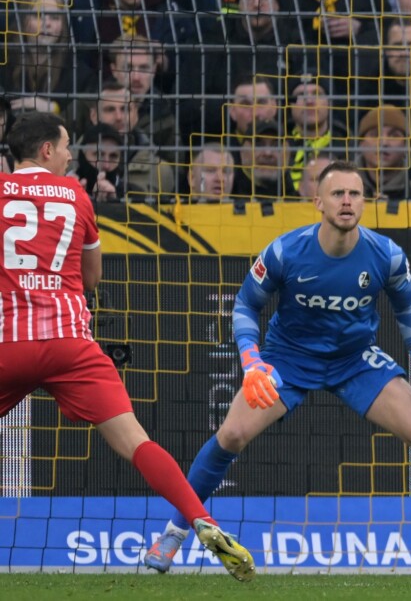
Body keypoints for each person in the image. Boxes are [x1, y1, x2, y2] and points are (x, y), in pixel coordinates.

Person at [144, 160, 411, 574]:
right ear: (318, 202)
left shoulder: (386, 255)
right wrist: (252, 362)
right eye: (338, 194)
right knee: (231, 434)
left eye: (355, 194)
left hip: (355, 359)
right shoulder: (286, 251)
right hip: (288, 358)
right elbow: (246, 305)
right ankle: (174, 533)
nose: (347, 201)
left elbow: (409, 312)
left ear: (365, 201)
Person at [0, 112, 255, 582]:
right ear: (45, 152)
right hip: (71, 343)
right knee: (137, 442)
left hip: (9, 342)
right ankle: (203, 519)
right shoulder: (76, 195)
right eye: (65, 147)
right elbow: (92, 278)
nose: (71, 156)